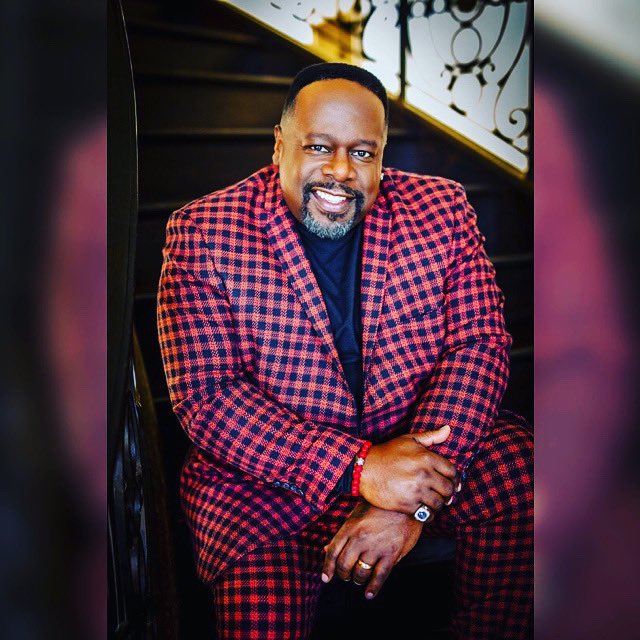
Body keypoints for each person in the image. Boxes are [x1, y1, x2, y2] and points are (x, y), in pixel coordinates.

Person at [157, 63, 533, 639]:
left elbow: (478, 343)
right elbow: (207, 398)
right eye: (318, 147)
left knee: (524, 474)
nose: (340, 171)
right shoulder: (204, 232)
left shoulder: (441, 209)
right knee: (261, 622)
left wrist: (404, 498)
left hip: (417, 442)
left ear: (381, 155)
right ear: (279, 145)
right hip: (266, 486)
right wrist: (360, 469)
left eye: (362, 152)